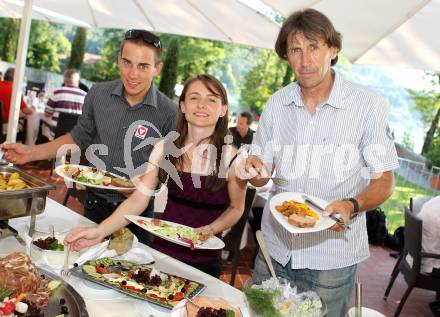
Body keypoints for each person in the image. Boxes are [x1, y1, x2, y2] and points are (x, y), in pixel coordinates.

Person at [243, 9, 399, 317]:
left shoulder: (367, 105)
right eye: (295, 50)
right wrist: (255, 172)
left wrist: (352, 204)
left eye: (313, 47)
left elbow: (384, 181)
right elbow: (262, 174)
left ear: (333, 49)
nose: (305, 60)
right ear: (286, 56)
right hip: (274, 250)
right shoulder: (277, 104)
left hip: (332, 258)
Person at [1, 30, 177, 244]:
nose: (132, 74)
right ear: (118, 60)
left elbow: (165, 170)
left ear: (157, 68)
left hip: (136, 215)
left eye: (143, 66)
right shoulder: (97, 94)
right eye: (127, 62)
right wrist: (31, 152)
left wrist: (142, 188)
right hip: (94, 205)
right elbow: (78, 137)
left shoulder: (169, 112)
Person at [65, 74, 247, 277]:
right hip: (161, 254)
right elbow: (139, 199)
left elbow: (237, 208)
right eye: (194, 97)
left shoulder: (233, 158)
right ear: (183, 106)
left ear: (223, 109)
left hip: (204, 261)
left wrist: (211, 229)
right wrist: (100, 231)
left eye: (211, 99)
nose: (202, 105)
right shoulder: (164, 148)